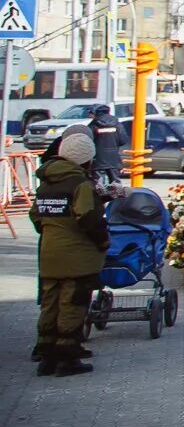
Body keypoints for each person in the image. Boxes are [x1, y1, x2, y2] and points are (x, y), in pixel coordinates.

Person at [30, 133, 107, 376]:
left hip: (49, 253)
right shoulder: (80, 184)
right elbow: (88, 218)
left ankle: (46, 355)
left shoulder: (47, 182)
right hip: (77, 257)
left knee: (50, 303)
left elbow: (36, 216)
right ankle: (68, 358)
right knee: (72, 304)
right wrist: (103, 240)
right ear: (87, 160)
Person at [87, 104, 125, 190]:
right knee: (116, 185)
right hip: (114, 160)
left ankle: (100, 201)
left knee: (98, 185)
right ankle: (116, 201)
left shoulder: (93, 125)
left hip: (98, 160)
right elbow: (123, 140)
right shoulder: (117, 124)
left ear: (96, 113)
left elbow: (88, 140)